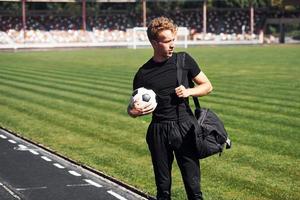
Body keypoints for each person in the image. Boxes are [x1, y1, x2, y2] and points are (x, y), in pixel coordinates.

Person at [127, 16, 213, 200]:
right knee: (163, 188)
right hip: (158, 129)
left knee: (193, 186)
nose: (172, 45)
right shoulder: (143, 74)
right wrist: (134, 112)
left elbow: (207, 86)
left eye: (173, 40)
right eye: (167, 41)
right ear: (154, 42)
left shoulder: (184, 60)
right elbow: (131, 107)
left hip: (184, 127)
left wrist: (189, 91)